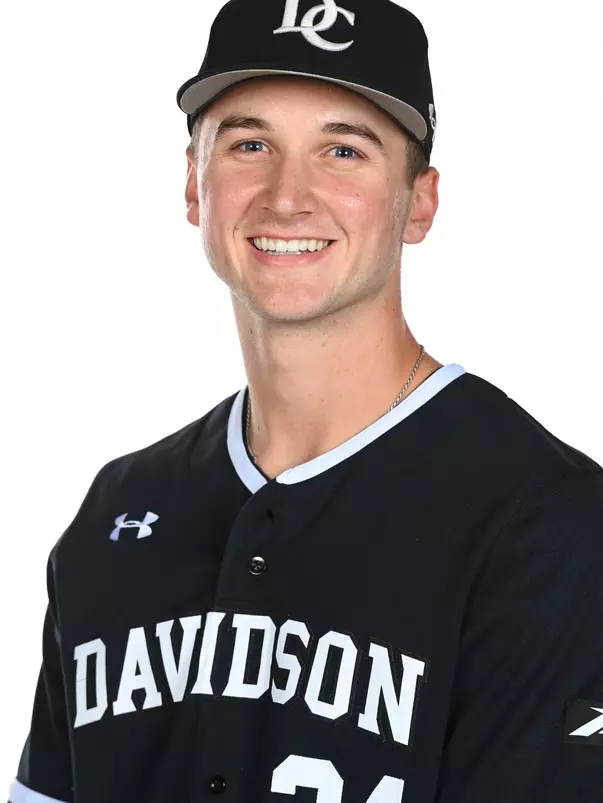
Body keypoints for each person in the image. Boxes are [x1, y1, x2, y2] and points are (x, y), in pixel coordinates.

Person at [8, 1, 603, 801]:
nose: (287, 197)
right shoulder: (122, 505)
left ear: (417, 202)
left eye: (343, 151)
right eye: (250, 145)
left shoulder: (544, 521)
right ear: (194, 185)